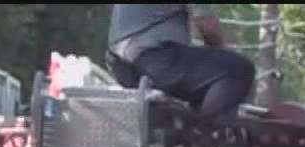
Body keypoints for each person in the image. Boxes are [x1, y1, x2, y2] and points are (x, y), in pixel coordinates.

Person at [106, 5, 257, 119]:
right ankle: (200, 137)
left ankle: (179, 132)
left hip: (119, 62)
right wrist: (224, 50)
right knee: (239, 69)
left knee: (204, 77)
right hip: (153, 55)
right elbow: (206, 24)